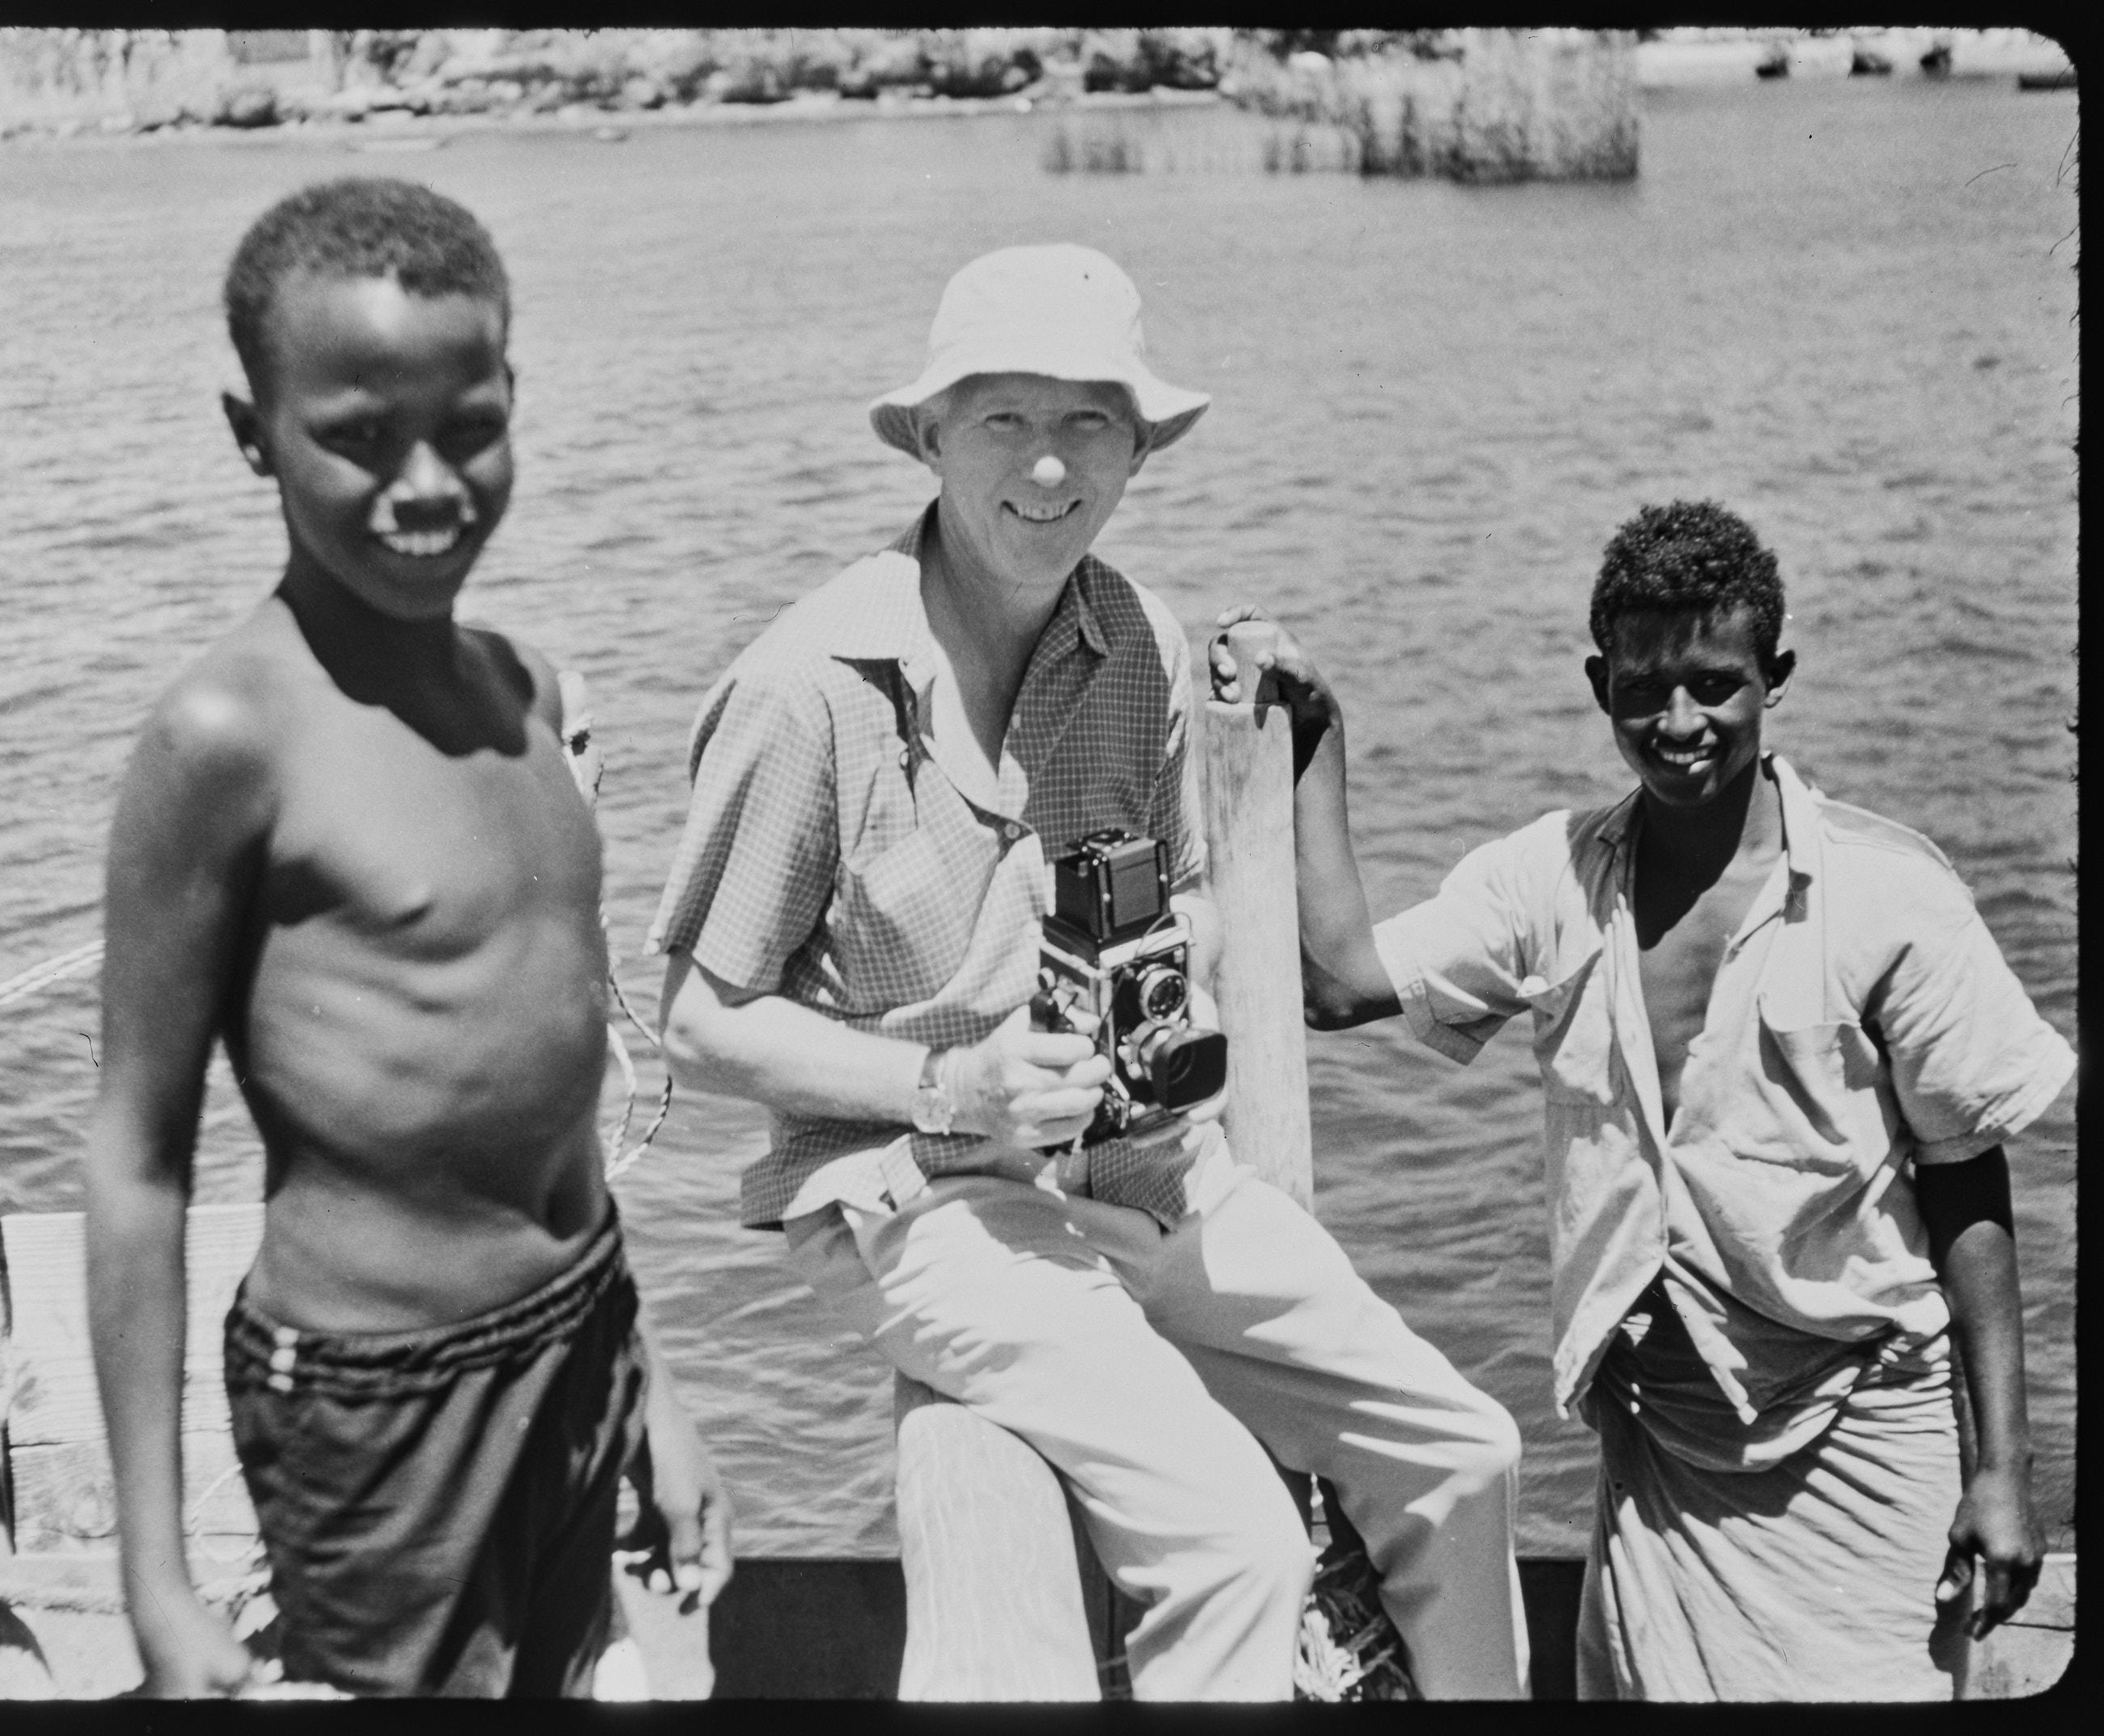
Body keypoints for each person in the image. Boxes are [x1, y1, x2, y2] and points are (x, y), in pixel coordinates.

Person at [648, 244, 1527, 1701]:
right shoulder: (807, 687)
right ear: (929, 436)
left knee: (1468, 1452)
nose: (1049, 469)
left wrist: (1160, 991)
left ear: (1139, 451)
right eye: (1005, 420)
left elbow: (1180, 894)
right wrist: (955, 1080)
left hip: (1140, 1173)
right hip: (919, 1197)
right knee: (1236, 1545)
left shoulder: (1138, 643)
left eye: (1093, 426)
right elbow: (693, 1018)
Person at [1212, 499, 2073, 1700]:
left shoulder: (1891, 897)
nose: (1679, 724)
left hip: (1865, 1440)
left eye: (1715, 684)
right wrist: (1317, 733)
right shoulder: (1551, 880)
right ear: (1597, 685)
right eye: (1641, 689)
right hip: (1659, 1448)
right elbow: (1341, 980)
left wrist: (2006, 1472)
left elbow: (1970, 1179)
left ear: (1775, 678)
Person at [85, 177, 731, 1700]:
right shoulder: (225, 735)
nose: (428, 482)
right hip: (378, 1401)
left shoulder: (529, 692)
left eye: (471, 421)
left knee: (566, 1678)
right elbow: (135, 1159)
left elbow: (556, 1100)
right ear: (255, 434)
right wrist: (155, 1578)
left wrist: (654, 1395)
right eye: (361, 435)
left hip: (578, 1338)